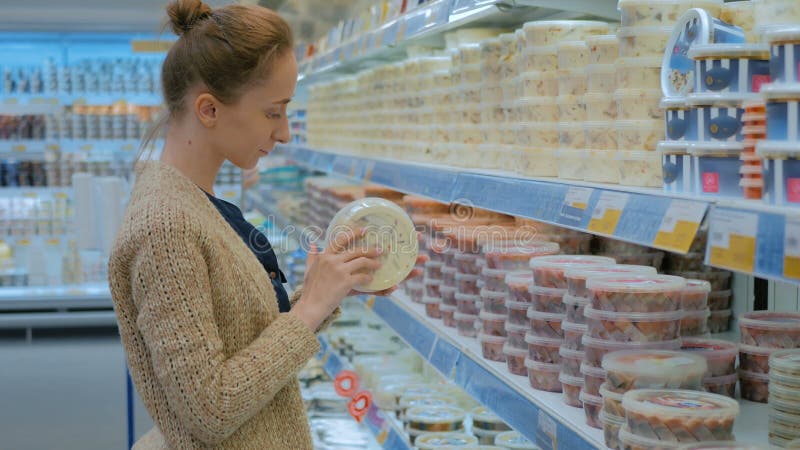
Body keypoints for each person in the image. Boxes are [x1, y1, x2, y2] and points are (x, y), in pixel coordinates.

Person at [107, 1, 424, 448]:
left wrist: (326, 289)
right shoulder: (166, 227)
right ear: (209, 110)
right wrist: (310, 308)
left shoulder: (199, 203)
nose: (285, 133)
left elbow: (244, 342)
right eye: (274, 111)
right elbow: (211, 409)